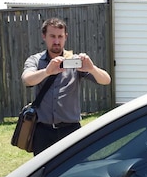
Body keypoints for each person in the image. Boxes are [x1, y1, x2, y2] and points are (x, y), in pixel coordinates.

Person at [22, 17, 111, 155]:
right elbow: (27, 80)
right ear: (44, 36)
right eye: (52, 36)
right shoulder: (36, 60)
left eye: (60, 36)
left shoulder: (75, 61)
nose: (56, 41)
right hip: (43, 131)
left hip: (70, 130)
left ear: (66, 37)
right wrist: (47, 72)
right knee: (43, 174)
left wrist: (92, 68)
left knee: (72, 173)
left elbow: (106, 80)